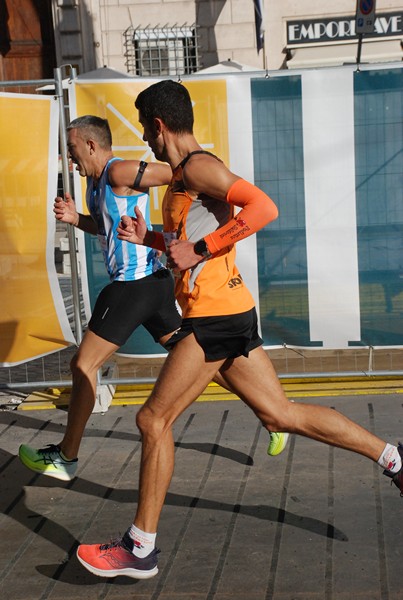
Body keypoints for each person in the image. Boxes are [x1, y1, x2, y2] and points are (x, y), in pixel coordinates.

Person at [75, 80, 402, 580]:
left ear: (160, 125)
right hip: (231, 311)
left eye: (145, 129)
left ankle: (140, 547)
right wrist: (156, 237)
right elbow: (194, 239)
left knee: (152, 421)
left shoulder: (200, 167)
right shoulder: (184, 175)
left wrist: (197, 252)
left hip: (215, 318)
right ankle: (393, 458)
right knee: (280, 414)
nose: (145, 140)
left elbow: (264, 208)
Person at [18, 115, 288, 482]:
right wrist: (76, 218)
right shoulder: (95, 185)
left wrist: (196, 182)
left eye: (73, 150)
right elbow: (104, 225)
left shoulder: (118, 171)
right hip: (154, 285)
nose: (71, 159)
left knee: (84, 363)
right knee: (200, 360)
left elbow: (171, 174)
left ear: (92, 146)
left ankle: (66, 456)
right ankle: (272, 414)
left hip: (135, 285)